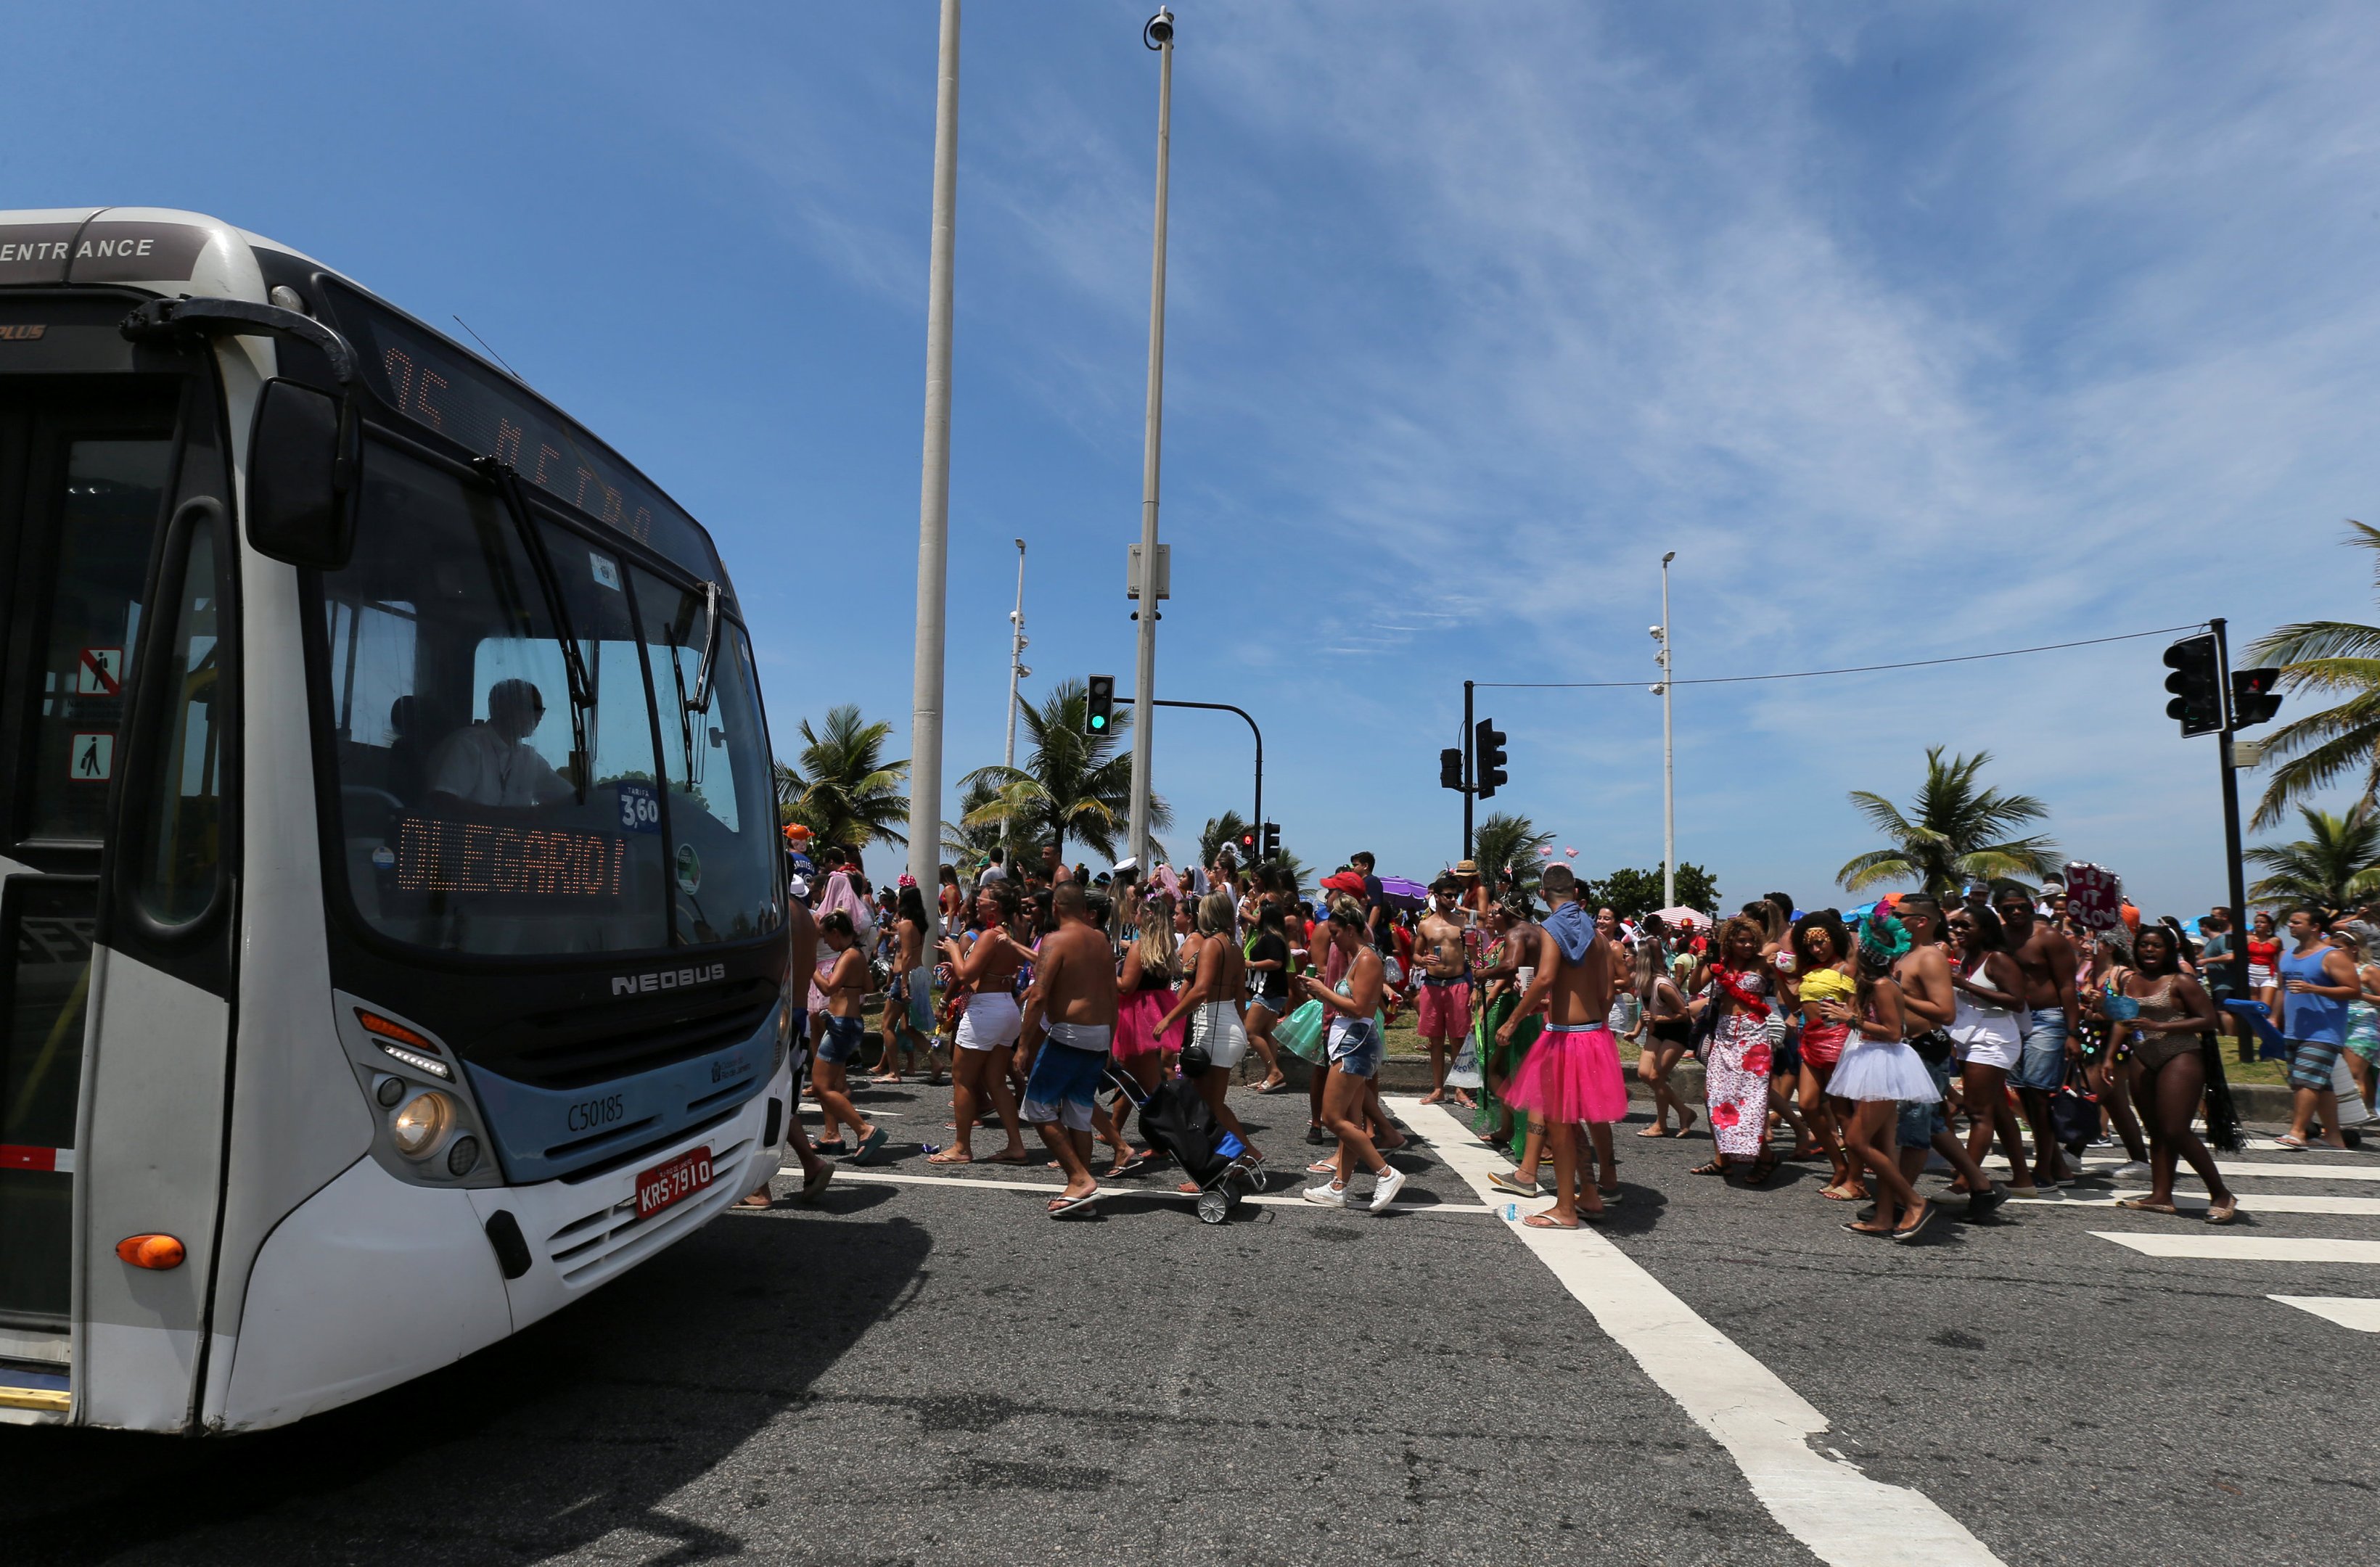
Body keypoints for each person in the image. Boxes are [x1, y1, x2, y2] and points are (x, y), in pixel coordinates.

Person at [1497, 868, 1628, 1227]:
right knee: (1572, 1122)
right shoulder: (1597, 936)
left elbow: (1546, 978)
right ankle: (1589, 1193)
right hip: (1593, 1034)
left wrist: (1513, 1020)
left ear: (1542, 894)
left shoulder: (1552, 928)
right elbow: (1606, 992)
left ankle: (1566, 1209)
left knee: (1559, 1124)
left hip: (1566, 1036)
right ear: (1574, 892)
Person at [2106, 925, 2239, 1221]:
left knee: (2175, 1130)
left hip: (2180, 1056)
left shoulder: (2181, 982)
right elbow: (2123, 1021)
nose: (2149, 950)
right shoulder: (2131, 981)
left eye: (2156, 945)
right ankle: (2161, 1195)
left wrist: (2161, 1027)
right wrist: (2107, 1058)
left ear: (2170, 950)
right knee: (2155, 1131)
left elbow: (2209, 1020)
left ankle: (2221, 1193)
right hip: (2143, 1056)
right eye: (2144, 946)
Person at [1887, 895, 2008, 1220]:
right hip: (1908, 1046)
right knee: (1933, 1125)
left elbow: (1945, 1012)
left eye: (1899, 915)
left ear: (1921, 921)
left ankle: (1902, 1202)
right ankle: (1982, 1186)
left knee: (1913, 1127)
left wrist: (1898, 995)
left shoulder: (1929, 958)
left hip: (1926, 1046)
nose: (1892, 919)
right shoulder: (1905, 954)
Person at [1823, 916, 1940, 1241]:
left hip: (1883, 1064)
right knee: (1884, 1147)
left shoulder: (1884, 986)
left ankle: (1915, 1202)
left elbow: (1894, 1032)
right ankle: (1884, 1216)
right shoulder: (1874, 986)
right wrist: (1847, 1015)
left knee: (1858, 1141)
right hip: (1873, 1062)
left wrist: (1850, 1020)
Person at [1016, 881, 1120, 1215]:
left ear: (1056, 908)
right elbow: (1111, 995)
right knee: (1078, 1112)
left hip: (1069, 1036)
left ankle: (1078, 1179)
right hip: (1099, 1034)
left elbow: (1040, 994)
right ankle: (1081, 1194)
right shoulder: (1101, 941)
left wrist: (1022, 1045)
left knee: (1037, 1107)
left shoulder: (1055, 940)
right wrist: (1110, 1042)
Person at [1301, 897, 1406, 1212]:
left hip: (1355, 1042)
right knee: (1350, 1118)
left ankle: (1385, 1173)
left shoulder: (1368, 959)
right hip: (1349, 1041)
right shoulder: (1358, 955)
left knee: (1332, 1117)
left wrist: (1324, 992)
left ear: (1350, 929)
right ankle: (1339, 1186)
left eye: (1335, 933)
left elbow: (1362, 1008)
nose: (1331, 939)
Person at [1157, 891, 1265, 1184]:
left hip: (1215, 1028)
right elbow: (1240, 997)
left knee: (1207, 1108)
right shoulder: (1233, 946)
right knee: (1211, 1104)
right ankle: (1247, 1153)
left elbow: (1201, 990)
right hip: (1229, 1025)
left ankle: (1219, 1168)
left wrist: (1169, 1018)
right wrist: (1241, 1030)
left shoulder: (1210, 946)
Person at [739, 882, 835, 1208]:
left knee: (762, 1096)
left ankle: (760, 1184)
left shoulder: (775, 910)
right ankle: (808, 1165)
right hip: (795, 1011)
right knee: (782, 1097)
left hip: (774, 1012)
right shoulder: (806, 915)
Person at [931, 881, 1033, 1165]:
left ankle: (962, 1147)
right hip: (1005, 1008)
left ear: (995, 906)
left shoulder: (989, 935)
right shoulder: (1010, 933)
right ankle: (1015, 1145)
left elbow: (965, 975)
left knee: (963, 1080)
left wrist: (952, 948)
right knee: (996, 1081)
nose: (978, 901)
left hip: (985, 1012)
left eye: (984, 899)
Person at [1947, 904, 2039, 1195]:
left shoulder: (1998, 959)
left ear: (1985, 930)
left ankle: (1966, 1182)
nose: (1958, 931)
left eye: (1966, 926)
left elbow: (2016, 1001)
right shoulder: (1968, 958)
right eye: (1956, 925)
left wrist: (1966, 985)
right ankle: (2023, 1180)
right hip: (1970, 1035)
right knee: (1998, 1111)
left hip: (1994, 1037)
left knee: (1977, 1112)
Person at [1995, 887, 2080, 1187]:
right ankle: (2058, 1167)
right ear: (1999, 911)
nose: (2016, 912)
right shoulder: (1999, 937)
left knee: (2040, 1095)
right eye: (2008, 908)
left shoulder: (2048, 937)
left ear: (2031, 907)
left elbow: (2068, 986)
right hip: (2014, 1018)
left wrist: (2072, 1032)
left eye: (2021, 907)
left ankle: (2043, 1170)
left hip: (2048, 1017)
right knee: (2025, 1096)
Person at [1693, 914, 1781, 1183]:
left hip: (1753, 1037)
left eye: (1751, 940)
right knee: (1716, 1097)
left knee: (1751, 1102)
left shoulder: (1763, 963)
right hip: (1724, 1034)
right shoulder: (1720, 964)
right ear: (1730, 942)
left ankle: (1766, 1157)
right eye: (1741, 941)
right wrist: (1701, 964)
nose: (1747, 945)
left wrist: (1780, 970)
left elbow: (1789, 993)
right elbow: (1694, 987)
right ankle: (1723, 1159)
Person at [1786, 911, 1859, 1200]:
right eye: (1811, 945)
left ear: (1835, 939)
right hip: (1811, 1040)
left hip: (1837, 1042)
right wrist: (1781, 976)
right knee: (1807, 1105)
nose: (1816, 949)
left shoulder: (1846, 969)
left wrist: (1847, 1016)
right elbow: (1795, 1003)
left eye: (1821, 943)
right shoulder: (1809, 971)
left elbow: (1855, 1010)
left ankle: (1855, 1178)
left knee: (1843, 1114)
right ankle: (1839, 1166)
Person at [2276, 905, 2358, 1151]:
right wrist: (2273, 1017)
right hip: (2294, 1029)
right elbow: (2283, 989)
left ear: (2315, 927)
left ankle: (2297, 1133)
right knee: (2320, 1084)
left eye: (2297, 922)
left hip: (2323, 1032)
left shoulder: (2332, 956)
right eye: (2290, 922)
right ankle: (2334, 1137)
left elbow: (2353, 990)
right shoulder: (2286, 955)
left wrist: (2316, 989)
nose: (2291, 925)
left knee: (2306, 1082)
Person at [808, 911, 886, 1163]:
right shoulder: (857, 956)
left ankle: (865, 1130)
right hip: (849, 1023)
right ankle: (832, 1136)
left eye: (826, 937)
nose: (826, 943)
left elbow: (828, 987)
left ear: (836, 933)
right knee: (827, 1085)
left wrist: (811, 967)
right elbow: (869, 987)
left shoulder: (849, 955)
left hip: (842, 1026)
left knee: (820, 1086)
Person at [424, 678, 570, 808]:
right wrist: (522, 817)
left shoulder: (528, 758)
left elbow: (568, 799)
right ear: (502, 709)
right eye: (533, 708)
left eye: (541, 710)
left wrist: (589, 796)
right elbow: (443, 803)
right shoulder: (467, 745)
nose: (539, 717)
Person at [1413, 876, 1474, 1107]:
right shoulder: (1425, 925)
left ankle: (1460, 1090)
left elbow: (1474, 954)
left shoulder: (1463, 922)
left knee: (1458, 1039)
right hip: (1433, 985)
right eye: (1448, 895)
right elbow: (1415, 956)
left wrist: (1476, 986)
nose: (1452, 899)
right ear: (1436, 896)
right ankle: (1438, 1089)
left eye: (1455, 895)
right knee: (1435, 1040)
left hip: (1458, 984)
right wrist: (1423, 959)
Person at [873, 881, 937, 1085]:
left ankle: (894, 1072)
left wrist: (901, 985)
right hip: (918, 975)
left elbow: (906, 956)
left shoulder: (905, 925)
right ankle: (935, 1062)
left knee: (887, 1026)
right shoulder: (919, 924)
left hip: (905, 977)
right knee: (908, 1028)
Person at [1634, 937, 1696, 1138]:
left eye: (1631, 955)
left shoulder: (1662, 985)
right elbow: (1647, 1011)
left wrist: (1657, 1018)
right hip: (1659, 1029)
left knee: (1656, 1077)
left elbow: (1683, 1013)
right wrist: (1636, 1031)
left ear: (1641, 959)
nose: (1627, 957)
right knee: (1645, 1073)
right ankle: (1684, 1111)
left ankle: (1662, 1124)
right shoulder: (1641, 981)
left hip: (1677, 1029)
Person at [1242, 896, 1294, 1094]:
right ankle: (1270, 1076)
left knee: (1251, 1032)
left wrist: (1251, 964)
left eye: (1259, 913)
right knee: (1267, 1033)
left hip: (1269, 991)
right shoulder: (1264, 936)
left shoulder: (1273, 938)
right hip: (1269, 990)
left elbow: (1277, 963)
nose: (1255, 915)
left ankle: (1274, 1072)